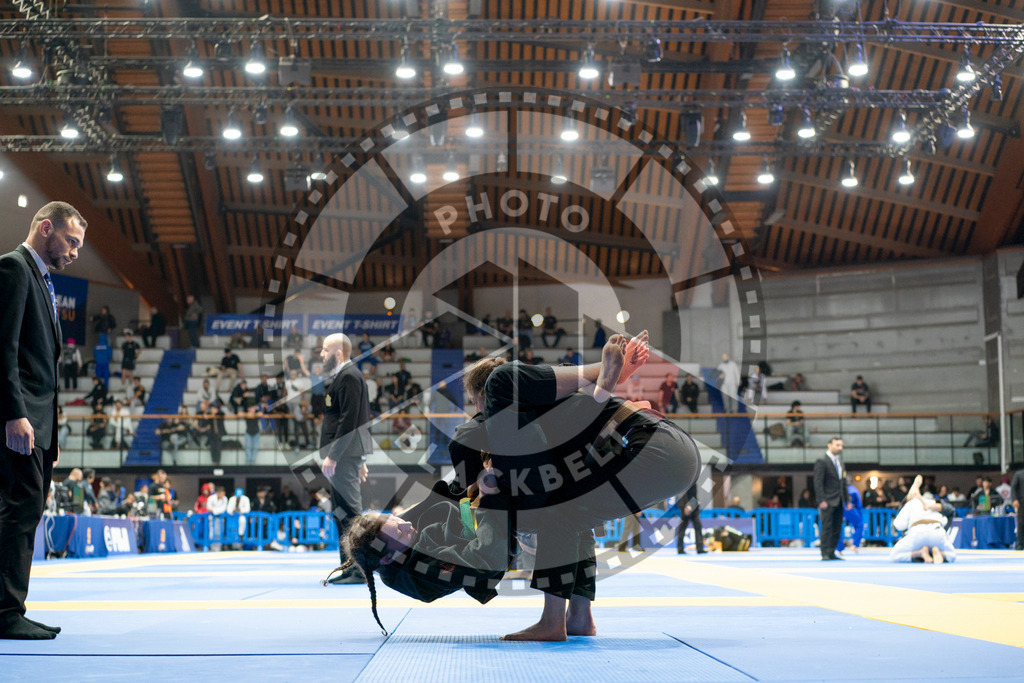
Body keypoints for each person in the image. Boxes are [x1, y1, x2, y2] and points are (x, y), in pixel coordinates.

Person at [337, 331, 701, 640]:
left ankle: (558, 620)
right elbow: (461, 522)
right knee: (567, 514)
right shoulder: (516, 428)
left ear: (485, 405)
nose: (403, 522)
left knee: (507, 394)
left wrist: (485, 490)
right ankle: (576, 617)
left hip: (649, 453)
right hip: (669, 454)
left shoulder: (489, 421)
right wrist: (484, 495)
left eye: (478, 405)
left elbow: (464, 460)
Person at [0, 202, 87, 639]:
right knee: (18, 512)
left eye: (79, 246)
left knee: (24, 512)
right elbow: (3, 348)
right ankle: (5, 612)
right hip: (19, 419)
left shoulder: (43, 280)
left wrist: (49, 431)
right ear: (46, 227)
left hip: (39, 423)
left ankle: (10, 607)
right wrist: (14, 412)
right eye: (70, 242)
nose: (74, 252)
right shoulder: (14, 269)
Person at [319, 333, 372, 584]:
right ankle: (349, 565)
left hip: (343, 455)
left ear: (338, 352)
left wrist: (334, 455)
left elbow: (351, 420)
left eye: (325, 350)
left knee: (351, 513)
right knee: (341, 513)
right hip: (347, 455)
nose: (321, 354)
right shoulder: (344, 376)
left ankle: (360, 569)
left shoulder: (349, 376)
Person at [890, 475, 956, 564]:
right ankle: (939, 553)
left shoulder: (911, 503)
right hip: (937, 532)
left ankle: (920, 553)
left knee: (894, 555)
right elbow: (945, 520)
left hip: (918, 533)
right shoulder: (935, 504)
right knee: (952, 555)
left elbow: (899, 525)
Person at [814, 437, 849, 561]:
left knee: (837, 527)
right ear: (829, 445)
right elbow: (818, 483)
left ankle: (832, 551)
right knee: (826, 527)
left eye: (841, 445)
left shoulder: (840, 462)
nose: (840, 448)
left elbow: (843, 482)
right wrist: (821, 500)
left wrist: (847, 500)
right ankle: (824, 553)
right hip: (827, 500)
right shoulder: (822, 461)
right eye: (837, 445)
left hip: (839, 500)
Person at [675, 478, 706, 555]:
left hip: (694, 505)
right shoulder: (684, 480)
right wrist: (687, 505)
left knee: (698, 526)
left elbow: (693, 494)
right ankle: (680, 549)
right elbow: (682, 493)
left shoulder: (693, 479)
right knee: (683, 527)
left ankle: (700, 548)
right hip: (686, 506)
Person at [838, 479, 863, 555]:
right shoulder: (854, 489)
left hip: (840, 508)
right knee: (859, 525)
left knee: (837, 527)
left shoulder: (839, 489)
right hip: (851, 508)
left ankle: (839, 548)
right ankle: (855, 545)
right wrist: (859, 513)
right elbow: (858, 503)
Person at [1011, 468, 1024, 551]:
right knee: (1021, 523)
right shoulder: (1019, 474)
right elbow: (1013, 488)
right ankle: (1019, 545)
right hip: (1022, 502)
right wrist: (1014, 499)